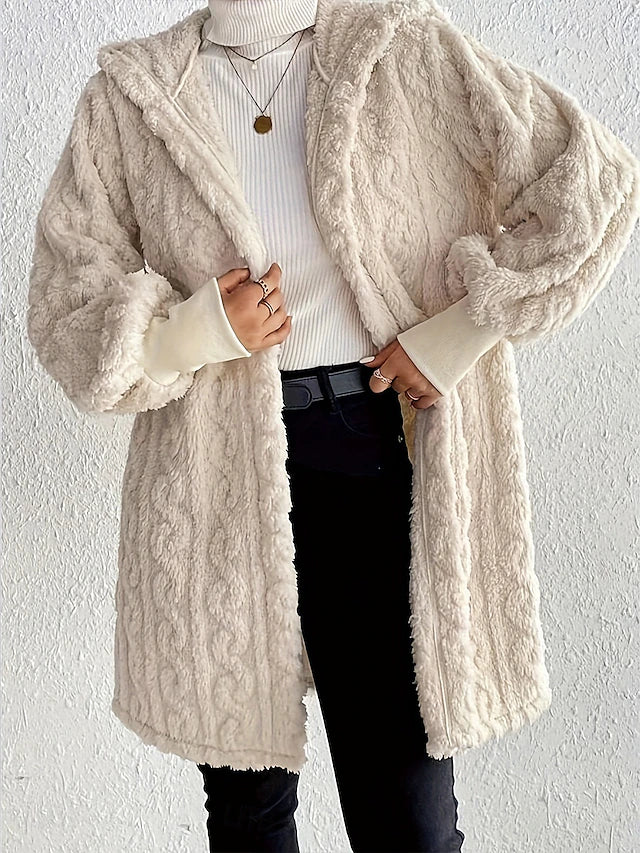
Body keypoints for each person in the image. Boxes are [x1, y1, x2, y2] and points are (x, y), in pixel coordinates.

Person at [26, 0, 640, 851]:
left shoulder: (399, 43)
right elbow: (66, 302)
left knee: (406, 820)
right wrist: (189, 334)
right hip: (213, 471)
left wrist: (459, 333)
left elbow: (594, 183)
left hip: (376, 449)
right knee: (249, 815)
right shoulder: (133, 92)